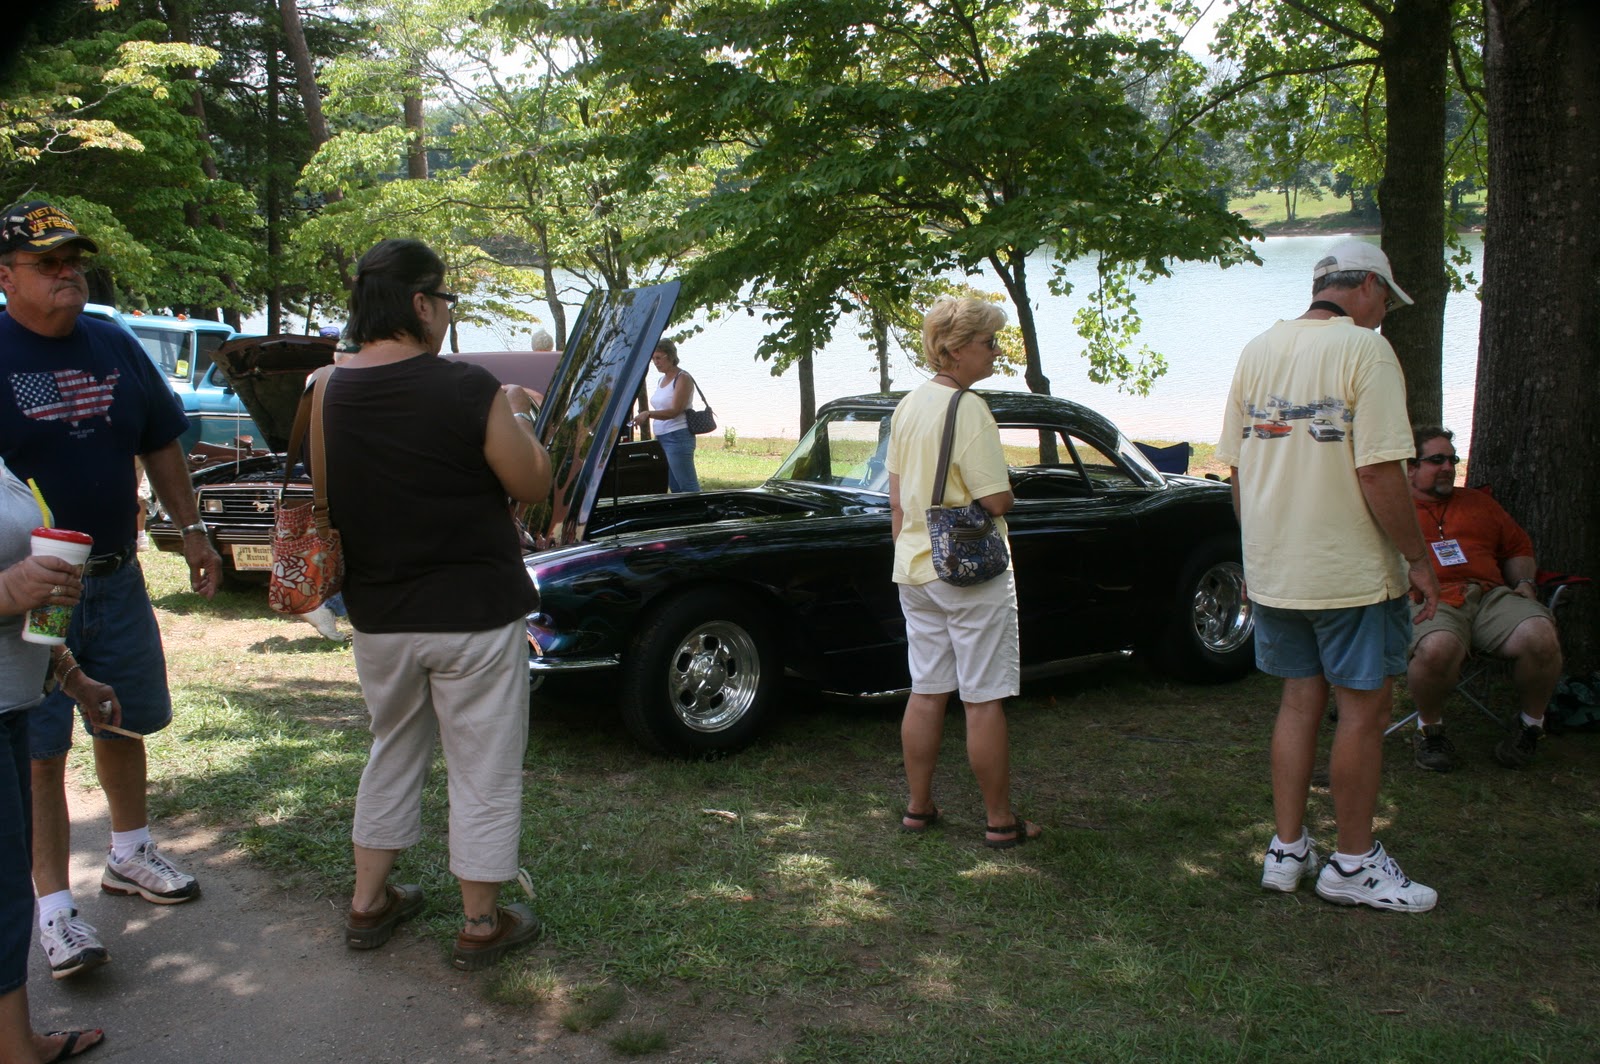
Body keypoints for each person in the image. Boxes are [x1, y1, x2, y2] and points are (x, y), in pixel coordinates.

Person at [0, 201, 220, 979]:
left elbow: (160, 440)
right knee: (41, 748)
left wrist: (192, 532)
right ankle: (55, 911)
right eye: (48, 263)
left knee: (121, 718)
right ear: (6, 276)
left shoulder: (115, 341)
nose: (67, 274)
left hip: (116, 575)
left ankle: (129, 854)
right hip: (36, 586)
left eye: (74, 261)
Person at [322, 238, 552, 971]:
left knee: (393, 748)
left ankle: (367, 904)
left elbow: (332, 500)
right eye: (445, 300)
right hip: (474, 613)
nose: (447, 315)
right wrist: (515, 413)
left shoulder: (326, 388)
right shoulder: (466, 386)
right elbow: (532, 482)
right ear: (420, 304)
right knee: (482, 764)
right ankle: (481, 924)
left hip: (381, 615)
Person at [1217, 238, 1442, 913]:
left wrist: (1255, 556)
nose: (1383, 314)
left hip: (1277, 567)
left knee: (1298, 702)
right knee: (1365, 708)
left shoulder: (1257, 349)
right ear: (1368, 286)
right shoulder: (1366, 351)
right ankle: (1352, 861)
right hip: (1347, 570)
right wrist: (1416, 558)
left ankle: (1286, 849)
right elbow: (1378, 470)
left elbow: (1238, 471)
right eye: (1385, 301)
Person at [885, 297, 1040, 849]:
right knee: (982, 696)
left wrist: (906, 548)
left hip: (916, 566)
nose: (995, 351)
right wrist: (1010, 492)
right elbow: (996, 499)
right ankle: (1000, 820)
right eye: (988, 342)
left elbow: (897, 498)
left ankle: (918, 807)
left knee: (926, 690)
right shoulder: (969, 408)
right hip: (969, 569)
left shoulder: (908, 406)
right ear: (955, 349)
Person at [2, 459, 116, 1064]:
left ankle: (15, 1040)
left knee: (6, 885)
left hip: (13, 704)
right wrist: (5, 590)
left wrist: (70, 674)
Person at [1405, 427, 1563, 771]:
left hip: (1489, 594)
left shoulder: (1479, 503)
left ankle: (1529, 726)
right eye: (1436, 460)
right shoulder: (1395, 512)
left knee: (1540, 634)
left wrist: (1523, 581)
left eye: (1452, 459)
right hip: (1429, 597)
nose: (1448, 466)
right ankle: (1429, 732)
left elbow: (1518, 547)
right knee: (1437, 648)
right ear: (1410, 466)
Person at [632, 339, 701, 493]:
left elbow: (675, 410)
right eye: (653, 359)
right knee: (674, 485)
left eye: (659, 358)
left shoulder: (682, 377)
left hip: (678, 436)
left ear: (670, 356)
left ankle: (700, 514)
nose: (655, 362)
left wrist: (648, 413)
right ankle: (682, 516)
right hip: (662, 437)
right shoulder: (661, 380)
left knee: (688, 485)